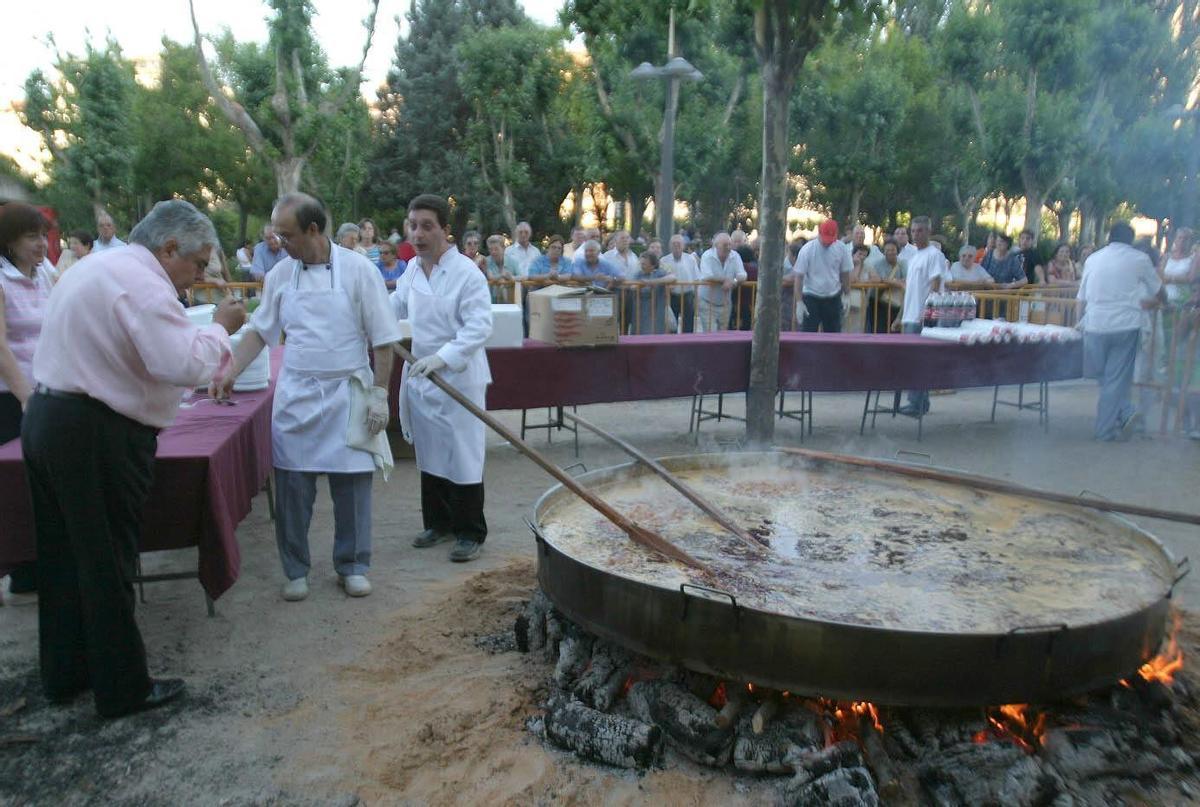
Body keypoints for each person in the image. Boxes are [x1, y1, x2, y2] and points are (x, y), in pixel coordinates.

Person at [24, 199, 246, 717]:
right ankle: (123, 688)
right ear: (168, 248)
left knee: (61, 559)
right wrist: (219, 326)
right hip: (93, 432)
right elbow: (179, 362)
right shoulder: (142, 280)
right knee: (106, 561)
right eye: (196, 264)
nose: (195, 277)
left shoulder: (98, 267)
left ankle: (65, 673)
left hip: (51, 417)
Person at [214, 192, 399, 601]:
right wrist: (230, 371)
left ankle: (352, 564)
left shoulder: (358, 270)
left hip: (348, 390)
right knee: (293, 487)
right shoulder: (281, 275)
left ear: (314, 230)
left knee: (352, 485)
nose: (280, 242)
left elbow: (384, 339)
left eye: (287, 234)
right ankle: (295, 568)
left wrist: (379, 395)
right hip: (297, 392)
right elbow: (260, 333)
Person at [391, 194, 493, 563]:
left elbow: (479, 326)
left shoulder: (467, 273)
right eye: (413, 225)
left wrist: (443, 357)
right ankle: (438, 523)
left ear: (446, 231)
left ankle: (470, 531)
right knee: (431, 450)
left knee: (463, 454)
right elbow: (395, 308)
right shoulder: (412, 270)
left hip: (459, 376)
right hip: (421, 374)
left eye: (427, 226)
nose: (417, 233)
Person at [0, 204, 56, 604]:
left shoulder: (47, 274)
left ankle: (40, 566)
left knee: (44, 481)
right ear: (9, 242)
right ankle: (20, 573)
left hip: (47, 389)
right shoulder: (2, 282)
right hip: (11, 398)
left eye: (44, 235)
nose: (41, 244)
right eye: (31, 237)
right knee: (15, 486)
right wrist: (25, 397)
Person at [1076, 222, 1165, 441]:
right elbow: (1160, 291)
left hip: (1095, 324)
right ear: (1130, 239)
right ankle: (1119, 417)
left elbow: (1081, 297)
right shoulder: (1140, 259)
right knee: (1114, 379)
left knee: (1104, 376)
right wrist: (1159, 300)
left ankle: (1119, 417)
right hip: (1126, 325)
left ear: (1109, 237)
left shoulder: (1092, 259)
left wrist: (1078, 323)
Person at [896, 216, 950, 416]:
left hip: (921, 316)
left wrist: (926, 313)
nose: (915, 234)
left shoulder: (934, 255)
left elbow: (935, 284)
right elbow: (911, 289)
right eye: (913, 231)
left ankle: (917, 403)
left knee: (918, 360)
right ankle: (919, 401)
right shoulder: (914, 256)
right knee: (912, 360)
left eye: (920, 231)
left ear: (928, 231)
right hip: (910, 314)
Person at [794, 219, 852, 333]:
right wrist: (799, 302)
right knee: (808, 336)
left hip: (833, 297)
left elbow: (845, 274)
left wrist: (847, 295)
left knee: (833, 336)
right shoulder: (807, 250)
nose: (827, 242)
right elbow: (799, 277)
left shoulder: (841, 248)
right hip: (811, 296)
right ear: (819, 234)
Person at [697, 233, 746, 332]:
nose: (728, 247)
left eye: (729, 244)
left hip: (725, 304)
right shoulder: (707, 255)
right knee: (711, 334)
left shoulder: (735, 256)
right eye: (725, 245)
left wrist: (734, 282)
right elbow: (707, 276)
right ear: (716, 246)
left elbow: (743, 275)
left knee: (723, 335)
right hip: (707, 303)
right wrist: (725, 280)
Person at [629, 252, 675, 334]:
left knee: (656, 333)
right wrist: (640, 286)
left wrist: (652, 282)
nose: (642, 266)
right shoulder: (638, 274)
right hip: (641, 311)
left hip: (657, 311)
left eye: (644, 264)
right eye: (641, 263)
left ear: (652, 265)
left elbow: (673, 277)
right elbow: (632, 286)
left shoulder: (660, 273)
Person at [662, 234, 699, 333]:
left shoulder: (691, 259)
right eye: (674, 244)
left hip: (688, 296)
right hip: (671, 296)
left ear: (683, 245)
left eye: (679, 243)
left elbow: (697, 278)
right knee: (671, 325)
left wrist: (697, 297)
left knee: (688, 326)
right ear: (670, 246)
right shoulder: (663, 260)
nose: (676, 246)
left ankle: (687, 345)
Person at [847, 243, 881, 332]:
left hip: (862, 302)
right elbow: (852, 280)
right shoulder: (847, 265)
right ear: (853, 254)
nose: (862, 257)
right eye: (860, 254)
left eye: (864, 255)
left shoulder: (868, 266)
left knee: (859, 328)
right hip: (847, 302)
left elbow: (877, 279)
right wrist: (857, 266)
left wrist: (864, 282)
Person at [1160, 228, 1196, 303]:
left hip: (1182, 300)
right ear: (1175, 239)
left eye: (1185, 239)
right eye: (1180, 238)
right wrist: (1180, 279)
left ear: (1191, 242)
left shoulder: (1193, 259)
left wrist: (1169, 279)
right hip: (1165, 298)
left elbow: (1190, 279)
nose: (1182, 241)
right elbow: (1159, 276)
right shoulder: (1166, 257)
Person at [484, 235, 519, 303]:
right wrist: (502, 275)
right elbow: (491, 277)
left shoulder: (512, 261)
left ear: (503, 248)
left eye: (496, 249)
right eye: (490, 249)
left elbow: (523, 277)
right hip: (491, 301)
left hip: (511, 300)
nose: (493, 252)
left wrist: (512, 278)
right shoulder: (487, 261)